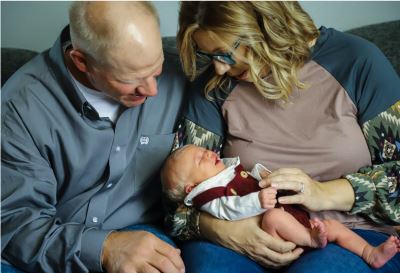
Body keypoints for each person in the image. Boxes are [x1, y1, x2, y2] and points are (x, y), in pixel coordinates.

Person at [165, 1, 400, 273]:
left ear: (265, 26)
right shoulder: (214, 88)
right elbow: (175, 196)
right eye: (209, 56)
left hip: (353, 237)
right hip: (245, 237)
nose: (218, 69)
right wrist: (217, 228)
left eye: (224, 54)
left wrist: (324, 193)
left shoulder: (356, 61)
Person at [1, 2, 187, 273]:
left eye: (156, 71)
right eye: (132, 78)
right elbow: (14, 223)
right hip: (49, 248)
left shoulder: (181, 75)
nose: (152, 90)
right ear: (81, 61)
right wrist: (105, 248)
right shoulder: (19, 109)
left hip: (148, 233)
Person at [162, 144, 400, 269]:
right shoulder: (208, 195)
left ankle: (370, 253)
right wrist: (256, 201)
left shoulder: (224, 169)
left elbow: (247, 176)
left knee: (332, 226)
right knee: (273, 217)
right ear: (190, 188)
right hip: (272, 234)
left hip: (295, 219)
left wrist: (262, 174)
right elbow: (229, 208)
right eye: (199, 159)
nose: (207, 153)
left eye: (203, 150)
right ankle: (311, 239)